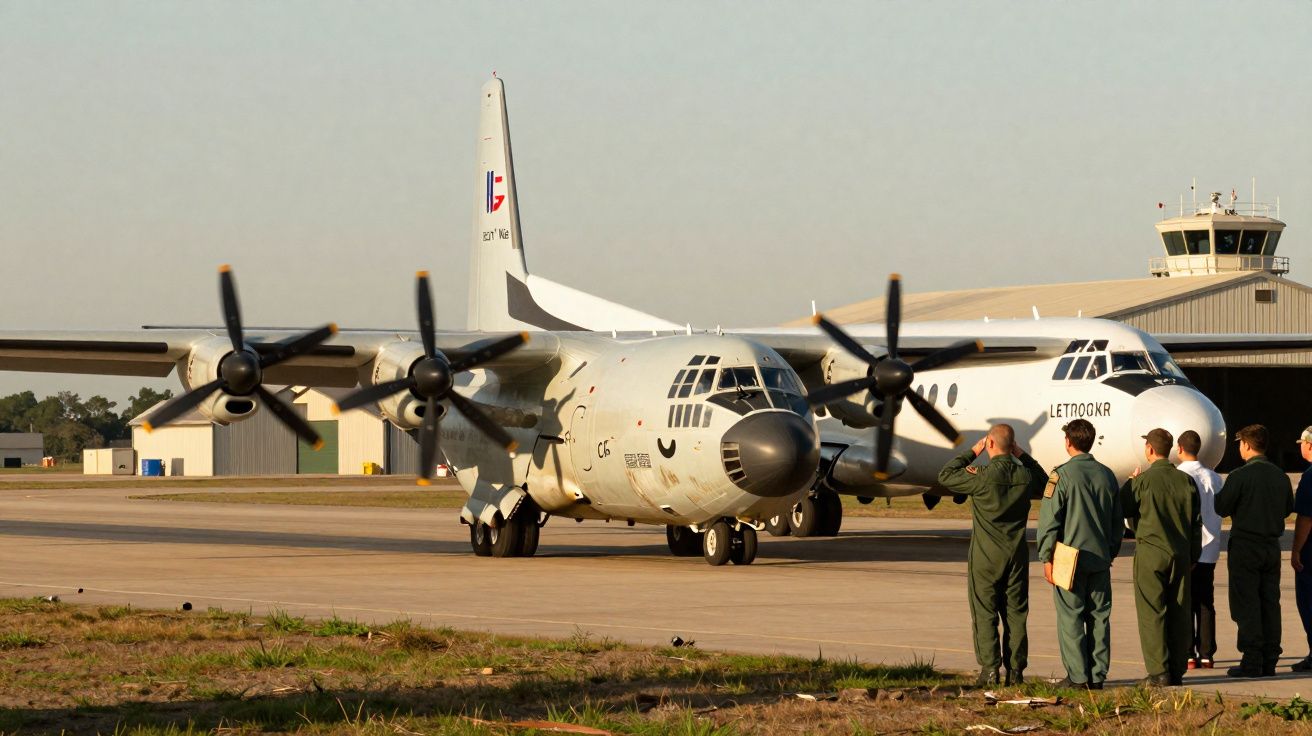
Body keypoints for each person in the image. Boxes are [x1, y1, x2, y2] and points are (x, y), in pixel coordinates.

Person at [938, 424, 1046, 686]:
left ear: (990, 445)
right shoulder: (1024, 477)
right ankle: (1016, 671)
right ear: (1012, 446)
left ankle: (989, 670)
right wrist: (1021, 455)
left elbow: (945, 475)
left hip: (986, 556)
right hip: (1017, 555)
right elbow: (1044, 481)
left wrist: (973, 452)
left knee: (985, 612)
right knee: (1016, 613)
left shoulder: (982, 476)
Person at [1035, 419, 1122, 690]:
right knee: (1099, 617)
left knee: (1071, 617)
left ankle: (1077, 676)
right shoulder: (1107, 475)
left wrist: (1045, 556)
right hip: (1099, 556)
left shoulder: (1060, 475)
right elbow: (1117, 522)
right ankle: (1097, 676)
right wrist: (1110, 552)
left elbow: (1049, 520)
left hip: (1067, 557)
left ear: (1068, 442)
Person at [1120, 428, 1201, 687]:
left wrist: (1131, 482)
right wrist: (1193, 555)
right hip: (1181, 553)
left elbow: (1123, 507)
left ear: (1150, 450)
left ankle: (1158, 671)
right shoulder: (1185, 481)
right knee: (1179, 612)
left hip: (1151, 552)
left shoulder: (1143, 481)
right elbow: (1196, 522)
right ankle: (1177, 670)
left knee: (1152, 612)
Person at [1216, 424, 1295, 677]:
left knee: (1246, 602)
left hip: (1246, 546)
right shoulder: (1280, 476)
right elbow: (1286, 509)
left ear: (1247, 445)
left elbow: (1221, 507)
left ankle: (1252, 659)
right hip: (1271, 547)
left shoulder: (1240, 476)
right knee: (1270, 601)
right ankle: (1270, 658)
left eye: (1240, 443)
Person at [1176, 430, 1222, 670]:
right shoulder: (1214, 477)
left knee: (1185, 601)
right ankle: (1207, 653)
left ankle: (1187, 653)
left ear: (1179, 448)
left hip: (1188, 549)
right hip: (1210, 548)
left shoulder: (1178, 476)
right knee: (1205, 602)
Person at [1292, 427, 1312, 672]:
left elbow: (1306, 517)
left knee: (1309, 602)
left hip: (1311, 553)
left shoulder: (1310, 476)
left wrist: (1296, 550)